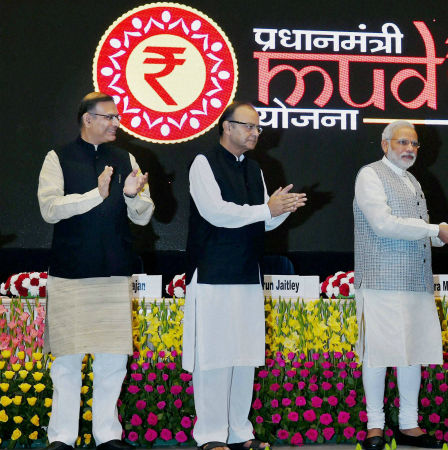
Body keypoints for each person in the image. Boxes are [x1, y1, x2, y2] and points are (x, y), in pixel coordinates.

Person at [182, 102, 307, 450]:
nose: (255, 133)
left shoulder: (254, 168)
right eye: (248, 126)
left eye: (257, 128)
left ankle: (239, 433)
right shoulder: (203, 162)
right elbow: (216, 213)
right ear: (226, 126)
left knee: (243, 355)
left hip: (247, 271)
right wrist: (267, 209)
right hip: (212, 271)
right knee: (213, 356)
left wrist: (281, 210)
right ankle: (210, 435)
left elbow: (262, 221)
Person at [37, 92, 154, 450]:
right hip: (69, 272)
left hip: (114, 269)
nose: (117, 123)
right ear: (87, 119)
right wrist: (96, 194)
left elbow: (144, 215)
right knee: (66, 362)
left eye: (117, 117)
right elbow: (49, 209)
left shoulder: (126, 158)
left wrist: (131, 196)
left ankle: (108, 435)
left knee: (112, 360)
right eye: (109, 117)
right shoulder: (57, 157)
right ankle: (62, 438)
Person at [353, 120, 448, 449]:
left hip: (415, 278)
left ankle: (408, 424)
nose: (409, 149)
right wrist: (435, 230)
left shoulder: (413, 180)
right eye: (402, 142)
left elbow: (420, 230)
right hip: (381, 278)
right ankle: (375, 425)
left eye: (414, 144)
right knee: (377, 354)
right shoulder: (370, 175)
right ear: (384, 144)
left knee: (411, 352)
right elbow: (383, 224)